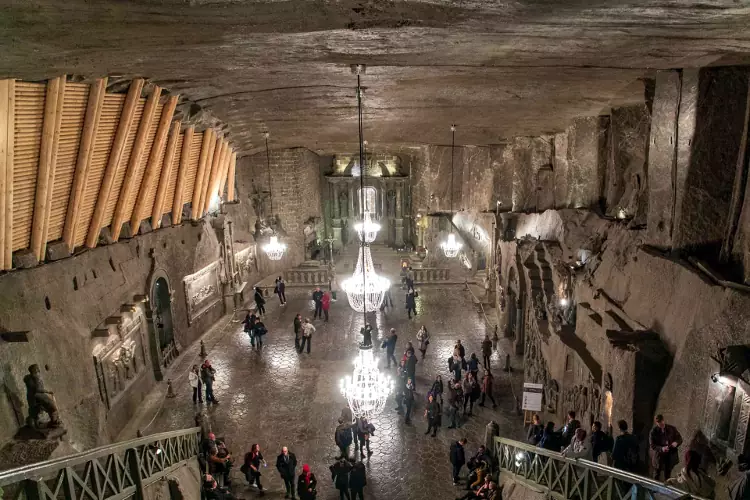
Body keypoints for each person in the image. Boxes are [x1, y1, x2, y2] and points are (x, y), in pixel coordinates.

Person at [649, 414, 683, 480]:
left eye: (661, 421)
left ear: (663, 420)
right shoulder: (653, 432)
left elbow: (680, 439)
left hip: (670, 456)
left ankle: (666, 488)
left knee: (668, 474)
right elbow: (652, 445)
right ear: (656, 423)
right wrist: (661, 448)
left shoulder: (672, 429)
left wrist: (676, 443)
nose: (660, 423)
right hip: (659, 456)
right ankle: (653, 489)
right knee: (656, 474)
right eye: (658, 422)